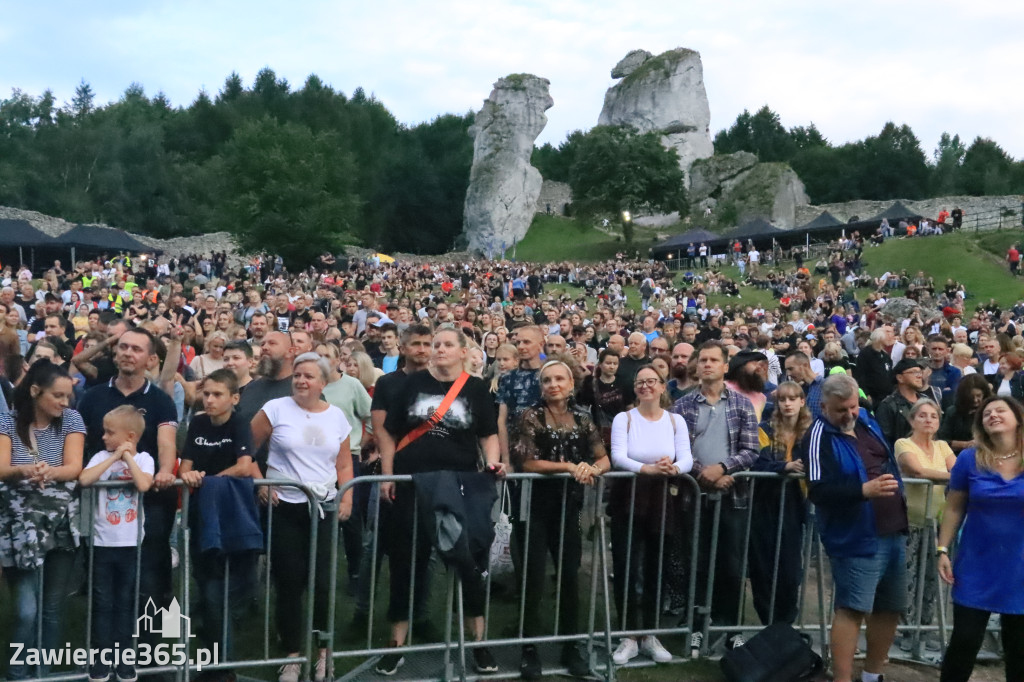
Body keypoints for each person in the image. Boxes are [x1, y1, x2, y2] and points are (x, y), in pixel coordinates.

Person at [376, 328, 504, 676]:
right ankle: (396, 645)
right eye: (436, 345)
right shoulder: (409, 385)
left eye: (448, 344)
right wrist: (388, 473)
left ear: (464, 352)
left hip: (459, 484)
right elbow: (389, 432)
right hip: (412, 483)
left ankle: (478, 643)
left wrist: (492, 462)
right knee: (405, 561)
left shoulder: (476, 389)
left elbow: (488, 434)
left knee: (468, 560)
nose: (440, 350)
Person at [251, 353, 355, 682]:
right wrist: (260, 482)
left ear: (323, 383)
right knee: (290, 582)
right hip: (285, 508)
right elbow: (246, 448)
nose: (301, 381)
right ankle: (293, 656)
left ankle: (324, 653)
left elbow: (343, 463)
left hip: (323, 507)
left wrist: (347, 495)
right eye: (297, 375)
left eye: (309, 376)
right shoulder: (275, 409)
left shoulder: (336, 416)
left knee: (323, 583)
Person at [803, 373, 908, 682]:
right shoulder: (817, 436)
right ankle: (843, 678)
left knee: (890, 607)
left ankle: (873, 675)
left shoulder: (867, 421)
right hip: (855, 535)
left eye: (852, 407)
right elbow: (817, 491)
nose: (849, 414)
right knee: (852, 608)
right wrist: (863, 491)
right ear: (823, 406)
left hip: (892, 529)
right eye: (841, 410)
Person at [77, 328, 178, 636]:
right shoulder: (93, 397)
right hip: (101, 506)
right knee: (103, 584)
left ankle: (147, 653)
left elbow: (166, 442)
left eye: (135, 349)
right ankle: (105, 652)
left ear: (149, 360)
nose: (127, 353)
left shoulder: (160, 400)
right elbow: (81, 444)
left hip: (150, 502)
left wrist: (164, 470)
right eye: (122, 347)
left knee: (148, 581)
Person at [513, 360, 611, 679]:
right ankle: (529, 648)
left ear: (571, 383)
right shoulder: (531, 415)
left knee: (570, 577)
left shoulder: (583, 417)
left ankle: (571, 646)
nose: (553, 384)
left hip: (569, 508)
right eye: (547, 380)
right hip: (535, 509)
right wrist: (569, 467)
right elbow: (527, 462)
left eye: (559, 379)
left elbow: (603, 458)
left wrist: (590, 469)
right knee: (533, 578)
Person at [0, 360, 85, 680]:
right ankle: (17, 673)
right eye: (58, 396)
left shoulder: (72, 420)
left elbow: (74, 466)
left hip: (60, 523)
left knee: (51, 609)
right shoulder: (7, 421)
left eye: (68, 396)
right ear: (36, 392)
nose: (65, 403)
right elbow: (1, 466)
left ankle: (43, 673)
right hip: (17, 526)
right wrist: (23, 470)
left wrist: (49, 472)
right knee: (26, 610)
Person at [673, 342, 759, 655]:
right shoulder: (681, 407)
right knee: (697, 562)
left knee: (732, 565)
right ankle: (696, 628)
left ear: (725, 366)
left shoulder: (742, 404)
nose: (707, 365)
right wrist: (704, 474)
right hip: (694, 496)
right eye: (703, 360)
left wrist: (723, 469)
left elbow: (751, 450)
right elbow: (677, 450)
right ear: (696, 367)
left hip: (732, 496)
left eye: (714, 360)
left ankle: (732, 628)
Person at [608, 365, 692, 665]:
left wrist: (674, 469)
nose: (645, 386)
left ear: (661, 387)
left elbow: (687, 457)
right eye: (640, 382)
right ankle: (629, 635)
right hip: (629, 497)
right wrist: (647, 469)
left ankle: (651, 633)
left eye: (651, 382)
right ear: (635, 388)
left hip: (662, 498)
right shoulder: (624, 418)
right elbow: (618, 455)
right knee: (627, 565)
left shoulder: (675, 420)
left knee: (659, 563)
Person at [938, 396, 1024, 681]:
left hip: (1020, 567)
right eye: (987, 413)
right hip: (977, 563)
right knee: (963, 643)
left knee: (1020, 650)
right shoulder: (969, 459)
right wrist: (942, 549)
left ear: (1017, 418)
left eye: (1001, 410)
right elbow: (953, 506)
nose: (993, 415)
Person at [177, 369, 257, 669]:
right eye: (206, 393)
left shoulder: (239, 424)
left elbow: (245, 466)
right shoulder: (197, 422)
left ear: (234, 398)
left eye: (217, 394)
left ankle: (221, 662)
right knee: (209, 591)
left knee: (231, 590)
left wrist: (210, 482)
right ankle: (217, 663)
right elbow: (185, 466)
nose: (209, 400)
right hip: (201, 517)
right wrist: (191, 475)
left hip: (234, 515)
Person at [79, 405, 154, 682]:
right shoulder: (100, 456)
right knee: (102, 602)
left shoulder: (145, 459)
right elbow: (85, 479)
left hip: (130, 545)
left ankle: (124, 659)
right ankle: (100, 660)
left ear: (130, 436)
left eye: (110, 433)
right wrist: (114, 458)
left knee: (125, 602)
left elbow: (144, 485)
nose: (103, 437)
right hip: (101, 543)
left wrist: (128, 456)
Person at [892, 398, 954, 653]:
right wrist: (953, 477)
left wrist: (954, 475)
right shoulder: (903, 444)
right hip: (909, 522)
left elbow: (957, 468)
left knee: (931, 580)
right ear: (912, 420)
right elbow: (916, 471)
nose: (929, 420)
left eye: (934, 416)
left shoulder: (943, 446)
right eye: (923, 416)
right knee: (907, 579)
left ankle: (925, 630)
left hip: (935, 522)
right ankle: (906, 631)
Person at [749, 381, 809, 626]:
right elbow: (756, 461)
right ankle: (768, 623)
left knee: (790, 569)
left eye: (792, 399)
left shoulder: (812, 432)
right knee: (762, 568)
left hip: (796, 505)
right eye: (783, 399)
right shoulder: (765, 428)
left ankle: (786, 625)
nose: (787, 404)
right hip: (765, 504)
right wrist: (784, 467)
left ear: (802, 401)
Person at [875, 358, 930, 447]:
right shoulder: (889, 405)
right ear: (900, 378)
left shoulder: (926, 401)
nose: (919, 376)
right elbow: (883, 441)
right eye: (913, 372)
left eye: (920, 372)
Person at [937, 374, 991, 454]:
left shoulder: (991, 411)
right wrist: (966, 444)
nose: (975, 400)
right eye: (971, 396)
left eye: (979, 396)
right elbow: (942, 440)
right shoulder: (953, 412)